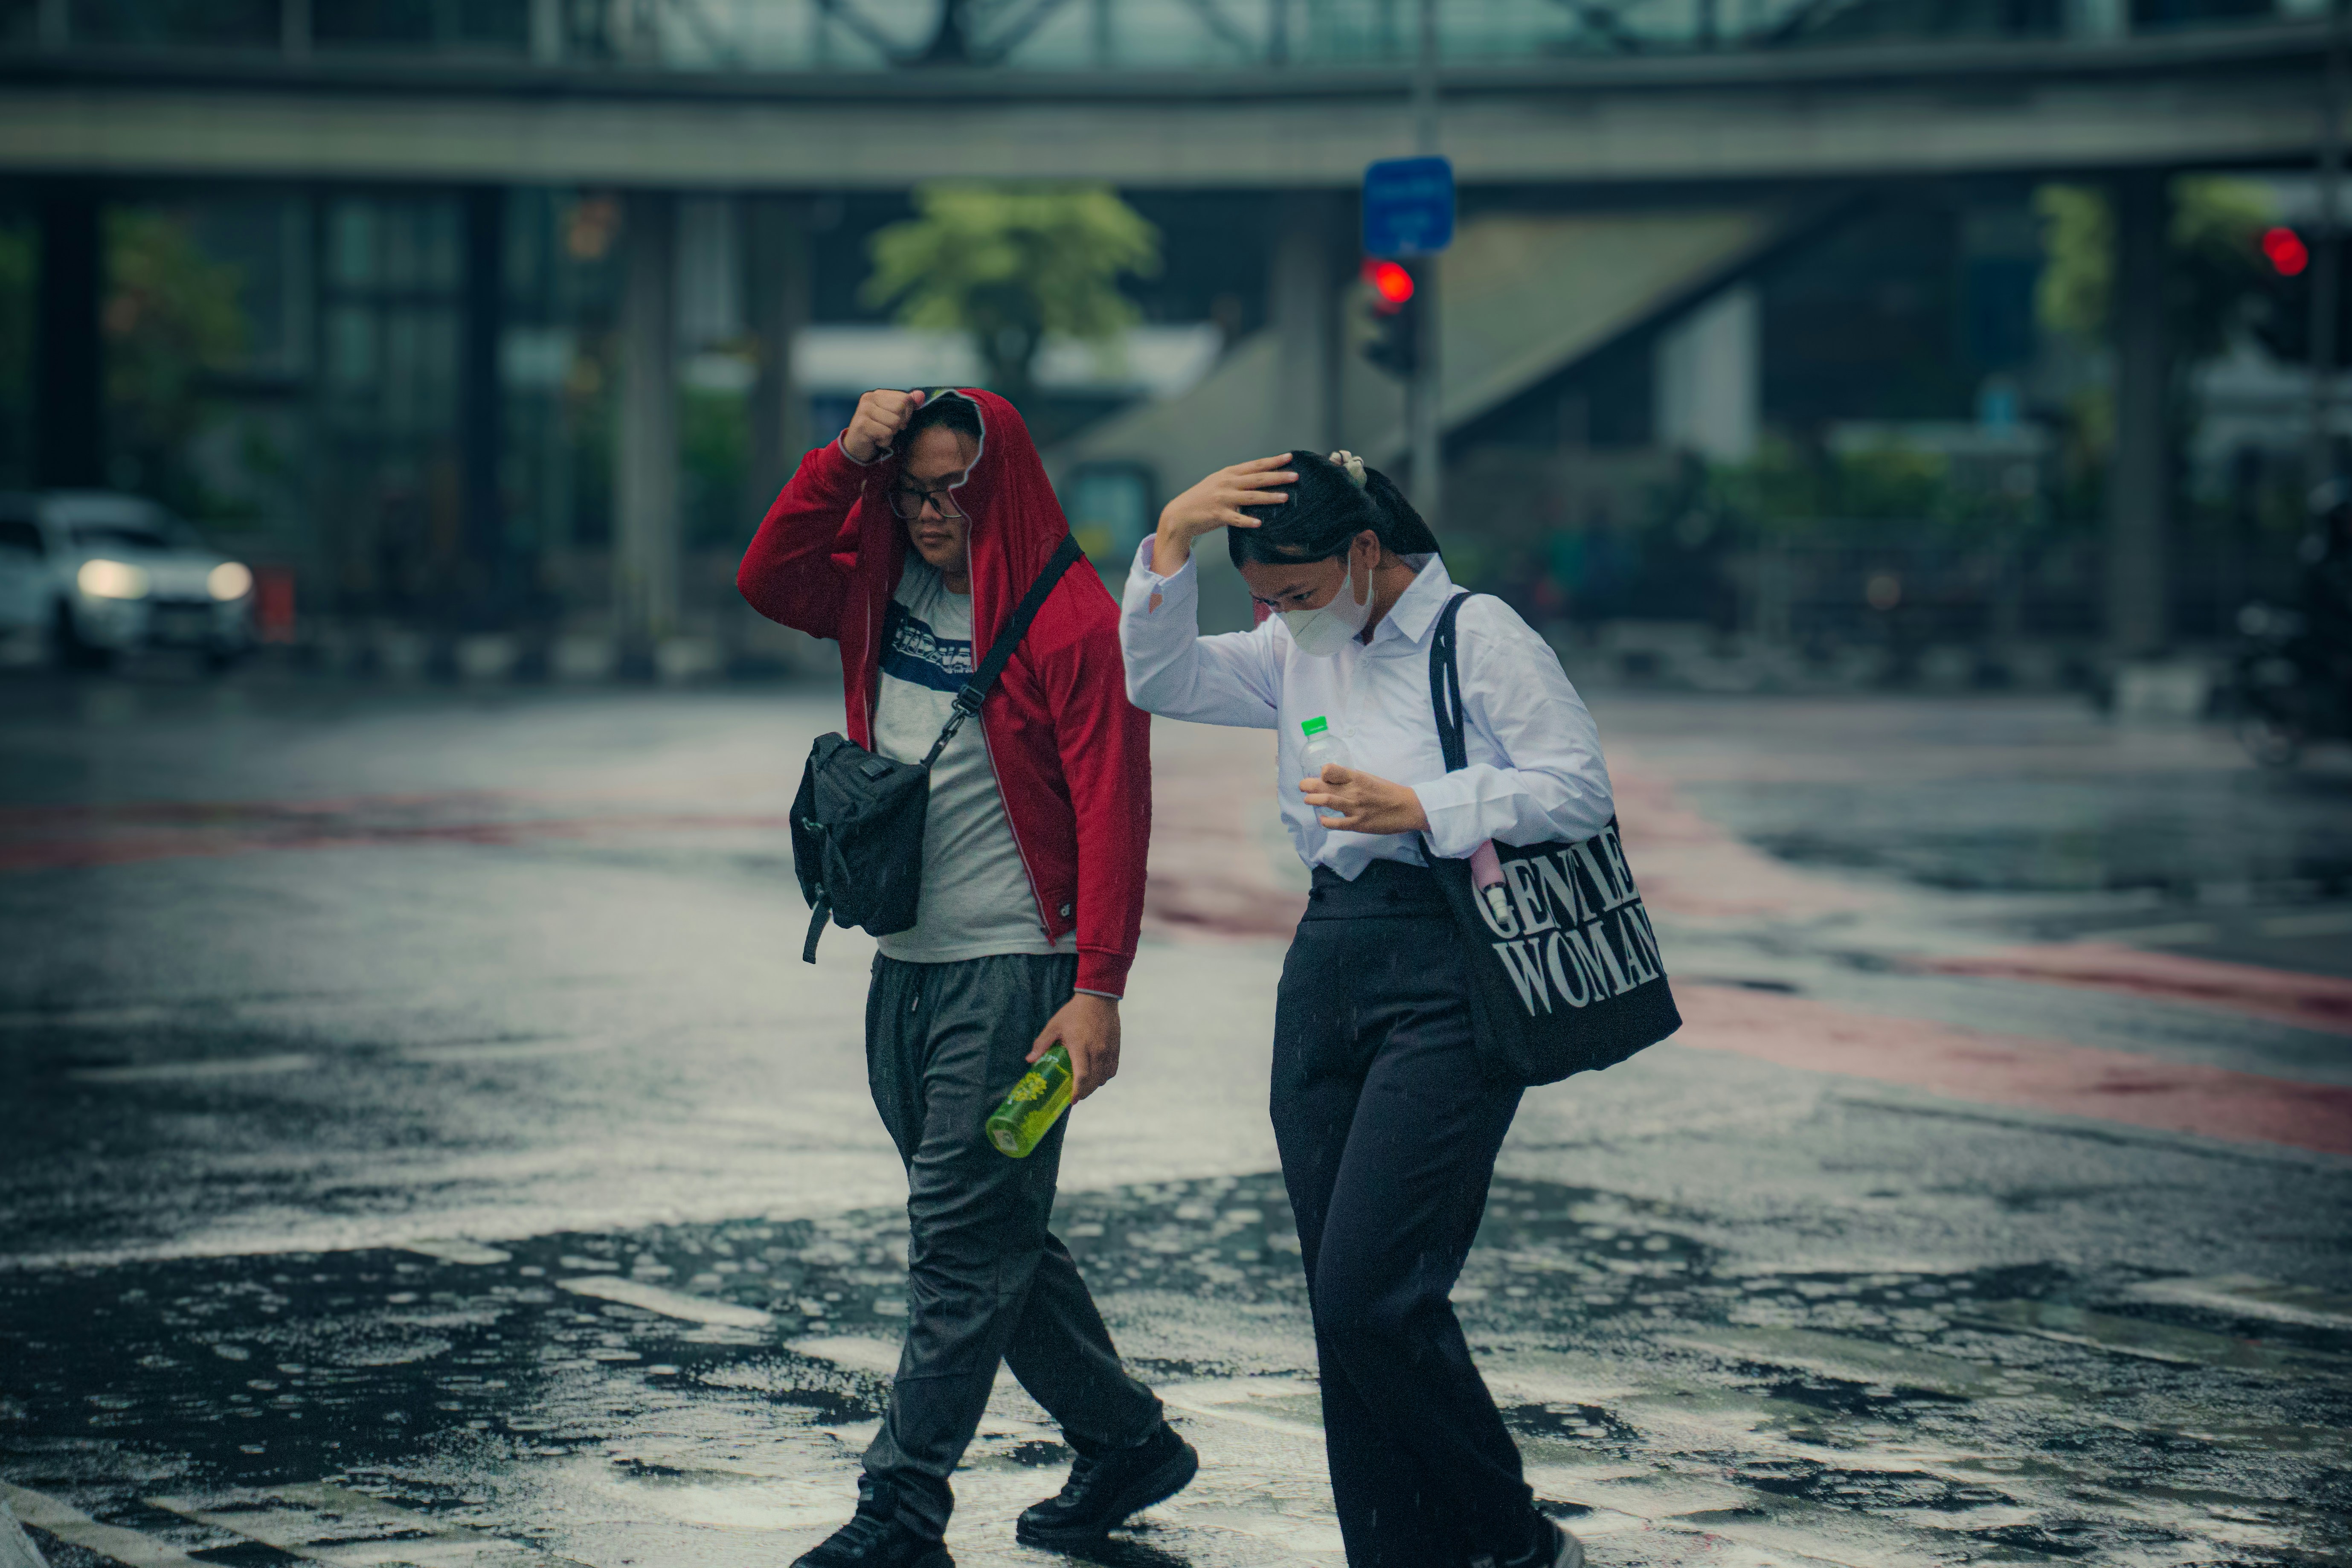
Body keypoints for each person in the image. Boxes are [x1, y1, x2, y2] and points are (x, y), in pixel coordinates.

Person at [1118, 449, 1612, 1568]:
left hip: (1451, 962)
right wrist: (1169, 541)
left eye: (1296, 592)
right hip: (1326, 958)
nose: (1282, 618)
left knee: (1371, 1297)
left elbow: (1577, 786)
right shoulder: (1299, 647)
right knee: (1339, 1311)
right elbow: (1158, 678)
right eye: (1265, 599)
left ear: (1362, 552)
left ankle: (1512, 1540)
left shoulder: (1474, 635)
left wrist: (1424, 803)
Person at [738, 387, 1197, 1568]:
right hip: (903, 965)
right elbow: (766, 574)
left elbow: (1113, 811)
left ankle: (901, 1510)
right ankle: (1125, 1439)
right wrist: (844, 458)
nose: (933, 511)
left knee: (957, 1238)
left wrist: (1097, 988)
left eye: (954, 487)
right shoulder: (875, 581)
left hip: (1016, 976)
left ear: (1001, 483)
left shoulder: (1074, 623)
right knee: (991, 1232)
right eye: (914, 488)